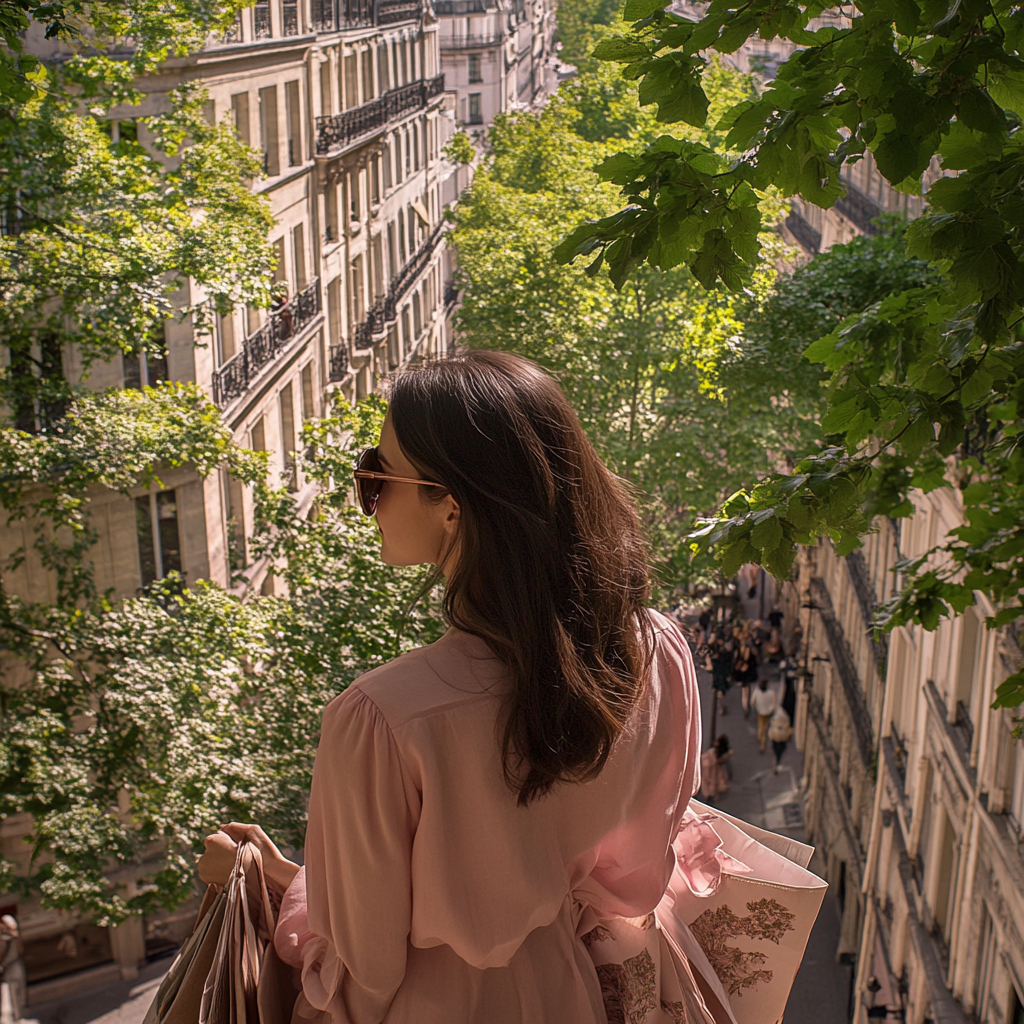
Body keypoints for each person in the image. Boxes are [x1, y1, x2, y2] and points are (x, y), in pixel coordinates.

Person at [196, 351, 729, 1024]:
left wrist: (286, 900)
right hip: (570, 993)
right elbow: (626, 881)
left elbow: (359, 983)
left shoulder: (381, 721)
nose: (368, 498)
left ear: (450, 507)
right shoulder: (653, 651)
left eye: (375, 476)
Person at [732, 628, 759, 718]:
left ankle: (749, 706)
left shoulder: (747, 651)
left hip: (748, 674)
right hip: (745, 675)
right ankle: (747, 707)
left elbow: (754, 662)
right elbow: (736, 662)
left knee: (748, 691)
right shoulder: (740, 651)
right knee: (746, 691)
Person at [700, 734, 732, 803]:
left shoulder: (713, 752)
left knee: (709, 791)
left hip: (711, 775)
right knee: (710, 791)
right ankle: (709, 799)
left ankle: (708, 799)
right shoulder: (717, 754)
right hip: (712, 775)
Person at [751, 677, 777, 753]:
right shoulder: (771, 692)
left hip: (760, 712)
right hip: (768, 713)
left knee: (761, 727)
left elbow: (752, 702)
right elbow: (774, 703)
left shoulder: (756, 692)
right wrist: (772, 710)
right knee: (764, 727)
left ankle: (762, 743)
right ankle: (763, 740)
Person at [768, 708, 793, 773]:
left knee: (776, 751)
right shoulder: (786, 718)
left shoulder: (775, 719)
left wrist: (771, 735)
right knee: (780, 751)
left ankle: (776, 762)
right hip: (782, 738)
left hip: (775, 738)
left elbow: (772, 727)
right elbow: (788, 728)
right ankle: (777, 762)